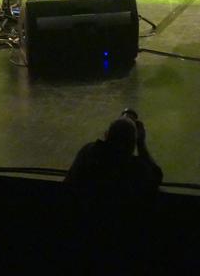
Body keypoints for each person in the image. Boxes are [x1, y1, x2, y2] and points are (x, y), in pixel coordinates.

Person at [63, 110, 162, 274]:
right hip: (121, 247)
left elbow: (68, 185)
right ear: (133, 143)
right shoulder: (134, 168)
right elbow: (156, 176)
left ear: (106, 135)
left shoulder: (88, 153)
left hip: (83, 239)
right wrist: (142, 145)